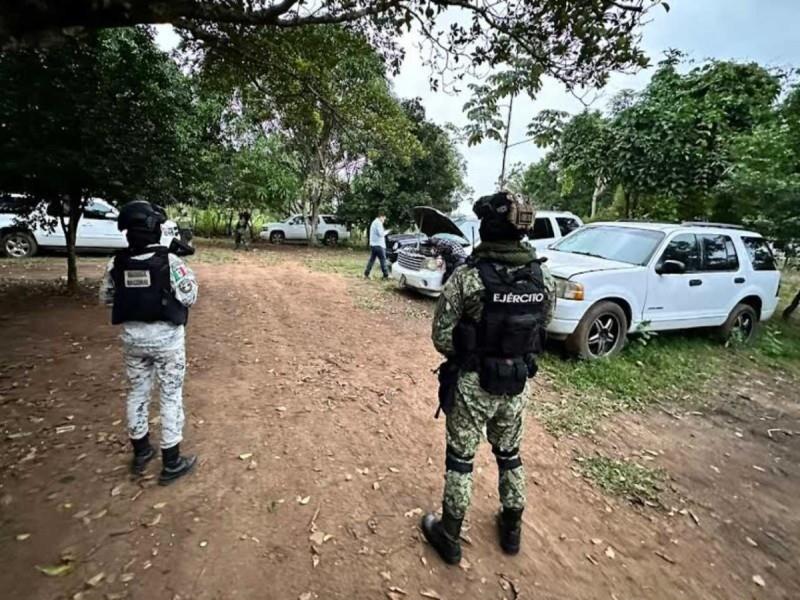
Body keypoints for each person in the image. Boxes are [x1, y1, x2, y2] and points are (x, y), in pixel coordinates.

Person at [422, 191, 555, 565]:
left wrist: (471, 349)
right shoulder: (542, 275)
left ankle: (449, 535)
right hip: (517, 384)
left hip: (473, 384)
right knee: (510, 455)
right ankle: (512, 529)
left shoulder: (467, 278)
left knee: (461, 460)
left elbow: (442, 337)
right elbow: (543, 326)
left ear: (487, 229)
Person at [99, 200, 199, 486]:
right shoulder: (170, 262)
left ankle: (141, 451)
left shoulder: (116, 263)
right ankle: (172, 462)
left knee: (137, 392)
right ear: (155, 229)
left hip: (133, 340)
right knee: (169, 396)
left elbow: (106, 298)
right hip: (167, 341)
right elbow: (190, 297)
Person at [364, 212, 390, 279]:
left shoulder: (374, 222)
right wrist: (387, 232)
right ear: (381, 217)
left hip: (373, 245)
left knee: (372, 260)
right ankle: (386, 275)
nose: (384, 220)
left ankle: (366, 274)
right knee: (383, 260)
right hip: (379, 245)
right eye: (384, 219)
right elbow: (381, 234)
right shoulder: (378, 223)